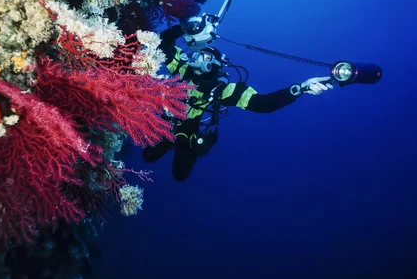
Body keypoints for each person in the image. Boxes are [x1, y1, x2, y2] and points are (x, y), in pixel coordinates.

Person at [142, 18, 333, 182]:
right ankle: (169, 142)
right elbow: (164, 43)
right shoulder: (183, 69)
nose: (199, 59)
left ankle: (182, 144)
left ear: (215, 65)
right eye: (199, 54)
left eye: (206, 57)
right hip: (169, 118)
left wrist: (299, 89)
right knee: (148, 156)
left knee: (180, 174)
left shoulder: (224, 89)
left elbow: (264, 104)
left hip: (191, 128)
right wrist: (187, 26)